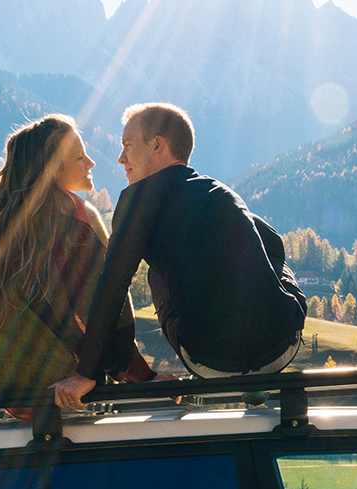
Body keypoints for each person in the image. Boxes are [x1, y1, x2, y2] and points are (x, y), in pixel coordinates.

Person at [53, 103, 307, 409]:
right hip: (283, 345)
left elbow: (113, 285)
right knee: (266, 252)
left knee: (154, 273)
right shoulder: (223, 193)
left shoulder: (136, 203)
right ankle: (255, 386)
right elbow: (274, 244)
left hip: (208, 361)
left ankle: (228, 371)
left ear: (158, 144)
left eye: (128, 146)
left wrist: (87, 373)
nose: (121, 158)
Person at [0, 115, 164, 411]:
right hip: (52, 395)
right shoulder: (76, 218)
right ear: (51, 169)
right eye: (79, 157)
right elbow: (104, 306)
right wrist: (143, 376)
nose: (90, 163)